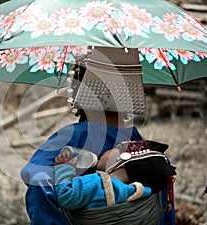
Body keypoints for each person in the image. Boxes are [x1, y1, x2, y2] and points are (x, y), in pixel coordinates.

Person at [20, 47, 176, 225]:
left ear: (79, 91)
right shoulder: (136, 139)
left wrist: (66, 171)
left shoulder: (73, 134)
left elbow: (36, 178)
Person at [53, 140, 176, 211]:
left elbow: (66, 196)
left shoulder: (98, 183)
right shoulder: (134, 193)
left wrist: (64, 167)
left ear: (121, 159)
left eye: (114, 148)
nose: (104, 152)